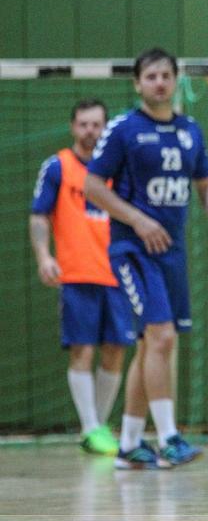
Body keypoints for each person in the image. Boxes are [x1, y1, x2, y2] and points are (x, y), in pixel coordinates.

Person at [84, 48, 208, 469]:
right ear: (137, 83)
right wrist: (138, 220)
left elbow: (206, 186)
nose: (159, 82)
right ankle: (169, 437)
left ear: (174, 81)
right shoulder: (124, 129)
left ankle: (130, 443)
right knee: (162, 337)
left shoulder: (190, 131)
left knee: (152, 343)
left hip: (171, 252)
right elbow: (93, 186)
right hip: (133, 250)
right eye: (150, 76)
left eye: (166, 75)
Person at [29, 99, 132, 456]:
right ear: (73, 127)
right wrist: (44, 256)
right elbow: (39, 215)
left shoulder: (118, 170)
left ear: (105, 129)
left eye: (97, 125)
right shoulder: (58, 167)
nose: (90, 131)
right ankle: (90, 427)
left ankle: (98, 426)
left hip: (117, 273)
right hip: (76, 273)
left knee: (116, 350)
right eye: (84, 124)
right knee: (82, 349)